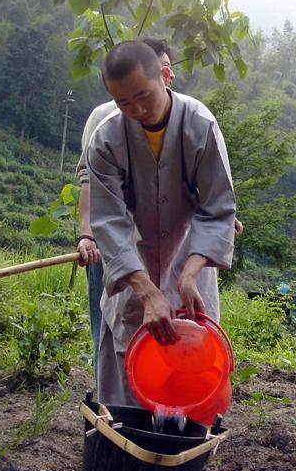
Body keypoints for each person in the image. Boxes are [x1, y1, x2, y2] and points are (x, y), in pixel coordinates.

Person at [87, 40, 236, 406]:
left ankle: (179, 458)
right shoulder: (105, 139)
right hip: (131, 268)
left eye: (144, 96)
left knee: (192, 372)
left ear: (165, 76)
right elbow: (108, 222)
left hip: (190, 258)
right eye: (124, 103)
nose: (137, 110)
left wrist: (190, 273)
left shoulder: (200, 125)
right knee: (127, 380)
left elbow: (218, 207)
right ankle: (125, 455)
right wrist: (146, 291)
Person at [76, 39, 176, 373]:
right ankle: (111, 405)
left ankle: (158, 401)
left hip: (162, 248)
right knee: (108, 326)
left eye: (168, 69)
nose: (167, 75)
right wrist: (87, 234)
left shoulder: (183, 119)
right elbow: (90, 179)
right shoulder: (106, 120)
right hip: (112, 244)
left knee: (161, 326)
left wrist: (219, 218)